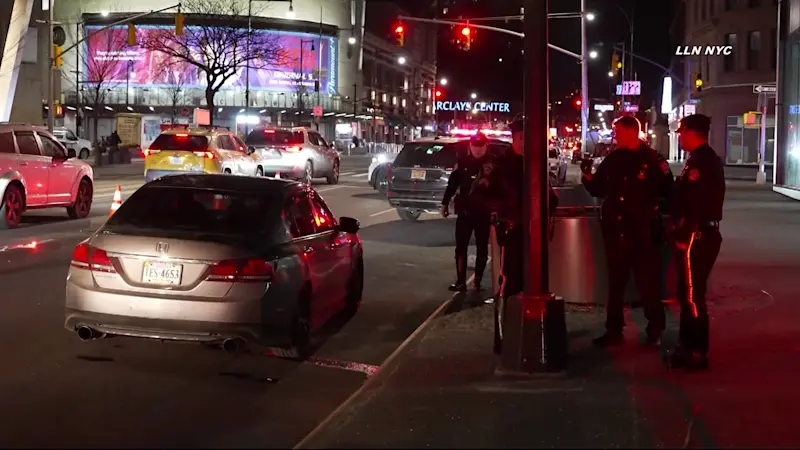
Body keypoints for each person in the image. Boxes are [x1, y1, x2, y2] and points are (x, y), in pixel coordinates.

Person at [581, 115, 673, 348]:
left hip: (642, 229)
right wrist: (588, 179)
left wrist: (653, 210)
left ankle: (655, 329)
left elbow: (669, 192)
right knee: (616, 281)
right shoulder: (613, 159)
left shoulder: (652, 160)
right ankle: (614, 329)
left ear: (633, 132)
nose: (615, 137)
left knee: (648, 282)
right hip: (616, 228)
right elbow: (600, 188)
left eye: (619, 132)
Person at [488, 119, 559, 354]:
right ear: (515, 138)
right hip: (513, 233)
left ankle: (528, 334)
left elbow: (549, 197)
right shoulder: (500, 167)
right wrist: (507, 213)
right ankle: (504, 335)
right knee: (510, 283)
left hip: (535, 234)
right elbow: (482, 197)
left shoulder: (535, 164)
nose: (526, 143)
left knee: (536, 283)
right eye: (522, 138)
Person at [665, 114, 725, 371]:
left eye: (682, 132)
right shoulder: (699, 159)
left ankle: (697, 351)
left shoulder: (703, 162)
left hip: (696, 236)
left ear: (692, 132)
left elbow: (697, 204)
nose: (679, 136)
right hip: (697, 234)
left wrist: (683, 234)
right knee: (687, 293)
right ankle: (687, 346)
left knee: (692, 296)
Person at [440, 133, 493, 291]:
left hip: (483, 212)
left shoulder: (493, 165)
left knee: (482, 247)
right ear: (470, 146)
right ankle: (461, 281)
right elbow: (452, 184)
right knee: (461, 247)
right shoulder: (463, 163)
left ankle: (477, 281)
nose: (477, 149)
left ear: (486, 146)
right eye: (474, 146)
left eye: (480, 146)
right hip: (465, 212)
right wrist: (445, 203)